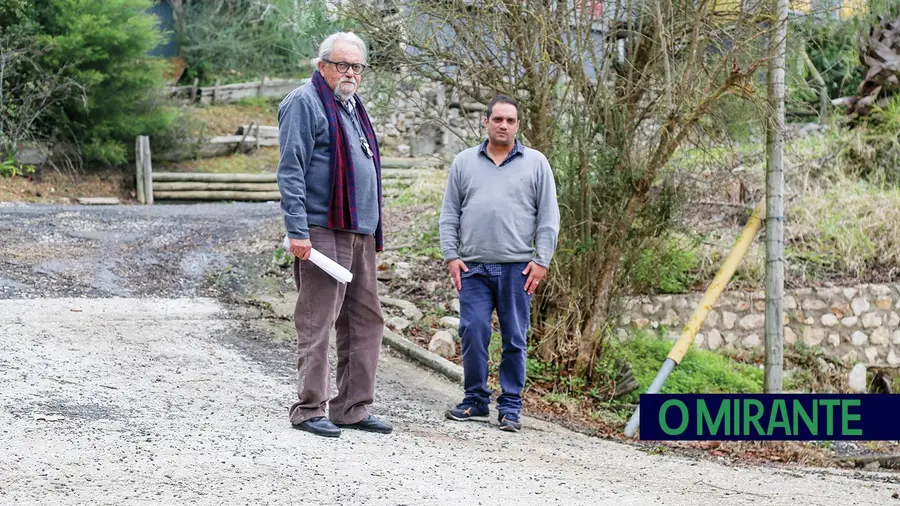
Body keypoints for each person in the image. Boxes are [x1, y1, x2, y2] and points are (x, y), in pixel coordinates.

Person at [276, 32, 392, 438]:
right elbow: (291, 170)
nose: (350, 73)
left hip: (360, 230)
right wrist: (297, 230)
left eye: (356, 66)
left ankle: (352, 407)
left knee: (365, 319)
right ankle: (309, 408)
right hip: (322, 229)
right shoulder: (303, 103)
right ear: (322, 64)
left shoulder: (352, 106)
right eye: (342, 64)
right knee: (318, 319)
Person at [438, 95, 560, 432]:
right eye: (497, 119)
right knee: (474, 331)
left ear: (518, 125)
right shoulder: (464, 162)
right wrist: (451, 255)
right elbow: (450, 214)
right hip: (474, 268)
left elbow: (549, 218)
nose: (503, 125)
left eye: (510, 120)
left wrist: (541, 261)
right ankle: (476, 400)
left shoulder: (536, 163)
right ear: (486, 122)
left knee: (514, 339)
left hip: (517, 269)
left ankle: (510, 407)